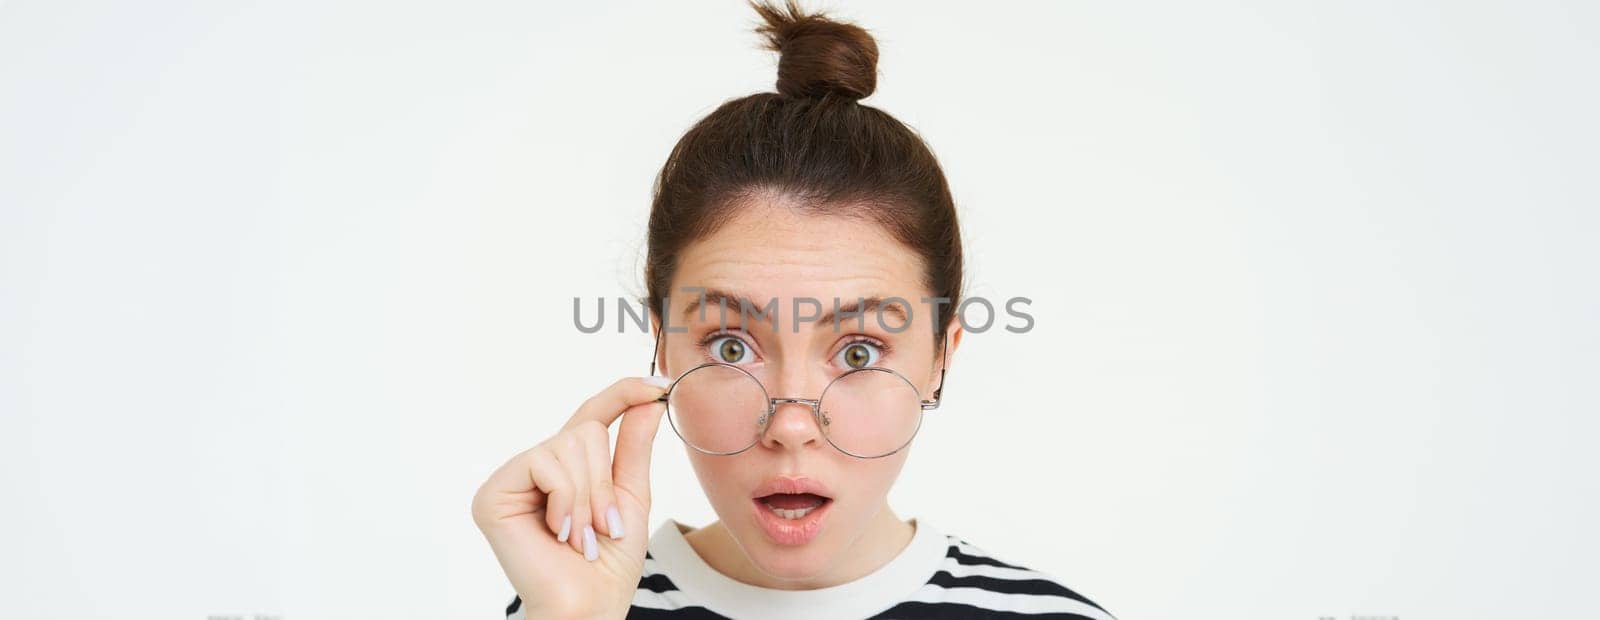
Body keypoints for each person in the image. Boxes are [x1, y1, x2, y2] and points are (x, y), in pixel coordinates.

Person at [471, 1, 1115, 618]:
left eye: (859, 352)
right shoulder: (570, 604)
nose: (792, 426)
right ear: (662, 347)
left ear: (940, 359)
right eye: (731, 347)